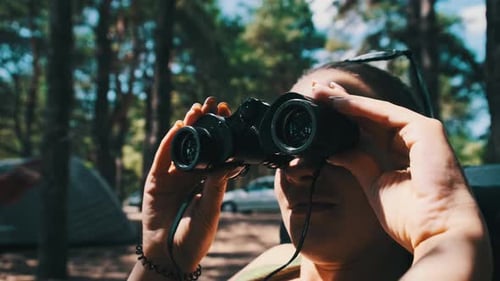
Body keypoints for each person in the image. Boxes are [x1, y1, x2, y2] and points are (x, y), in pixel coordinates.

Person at [128, 59, 493, 281]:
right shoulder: (270, 267)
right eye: (282, 145)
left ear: (408, 160)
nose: (298, 167)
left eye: (337, 138)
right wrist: (162, 261)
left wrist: (443, 233)